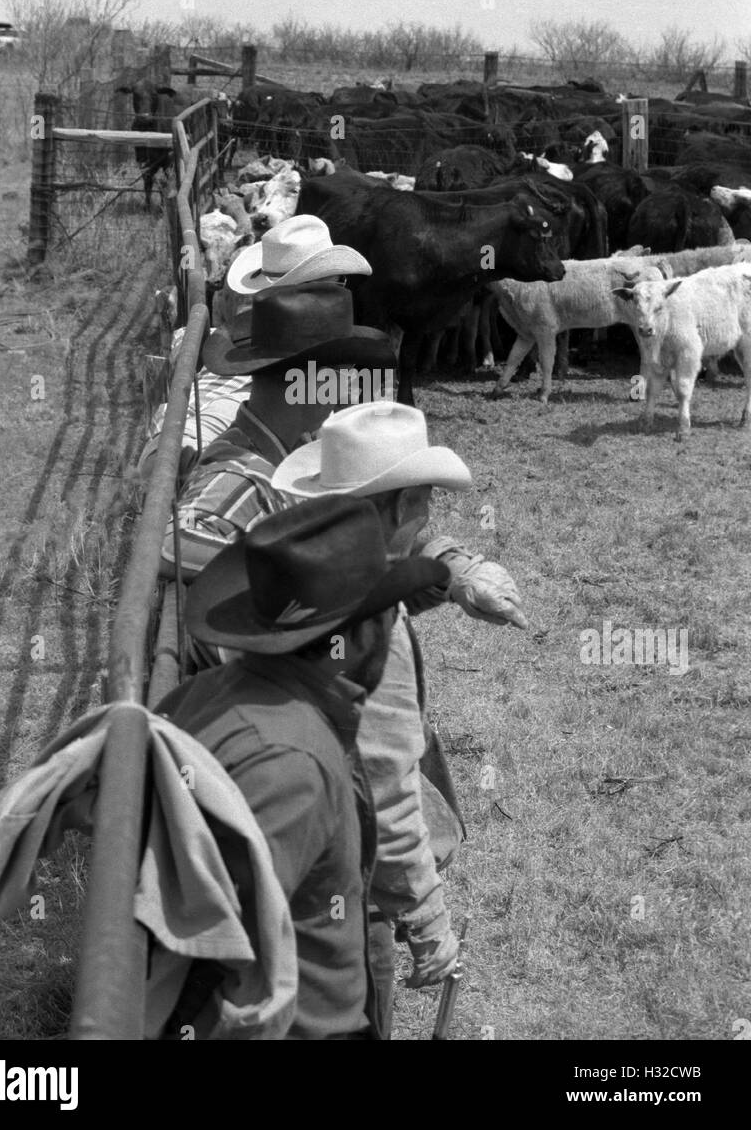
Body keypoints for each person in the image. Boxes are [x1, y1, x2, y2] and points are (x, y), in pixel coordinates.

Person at [272, 400, 528, 1029]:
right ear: (394, 507)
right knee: (358, 1009)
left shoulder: (299, 561)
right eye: (424, 499)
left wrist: (462, 570)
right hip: (341, 874)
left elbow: (416, 550)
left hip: (280, 845)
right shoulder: (369, 631)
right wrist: (427, 921)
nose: (431, 513)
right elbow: (384, 790)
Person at [157, 494, 451, 1040]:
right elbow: (213, 943)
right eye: (387, 617)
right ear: (359, 636)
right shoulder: (295, 762)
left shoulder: (205, 695)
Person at [159, 280, 395, 588]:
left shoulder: (282, 451)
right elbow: (171, 545)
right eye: (343, 369)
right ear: (312, 380)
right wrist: (302, 566)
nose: (350, 382)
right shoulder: (243, 475)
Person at [139, 215, 372, 480]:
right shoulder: (247, 395)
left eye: (341, 282)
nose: (341, 294)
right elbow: (162, 458)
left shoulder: (235, 349)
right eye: (334, 285)